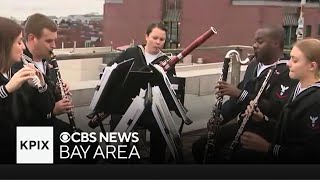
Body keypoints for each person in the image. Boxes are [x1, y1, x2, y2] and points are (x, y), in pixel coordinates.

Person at [192, 25, 298, 163]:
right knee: (199, 146)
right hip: (245, 125)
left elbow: (273, 107)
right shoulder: (254, 65)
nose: (254, 45)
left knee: (227, 157)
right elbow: (238, 98)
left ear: (275, 43)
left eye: (260, 42)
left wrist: (239, 94)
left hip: (265, 131)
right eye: (255, 41)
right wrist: (221, 116)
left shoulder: (287, 72)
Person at [12, 13, 97, 163]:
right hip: (30, 132)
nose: (54, 45)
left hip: (48, 125)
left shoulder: (48, 63)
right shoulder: (18, 66)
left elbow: (50, 95)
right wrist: (53, 110)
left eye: (55, 40)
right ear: (32, 38)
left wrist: (58, 92)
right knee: (80, 151)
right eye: (49, 41)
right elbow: (21, 113)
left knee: (90, 145)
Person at [105, 22, 176, 163]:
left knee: (161, 126)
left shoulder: (167, 61)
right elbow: (111, 69)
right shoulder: (131, 52)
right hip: (125, 106)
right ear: (146, 37)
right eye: (155, 38)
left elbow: (170, 86)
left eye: (162, 39)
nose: (158, 42)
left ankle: (157, 163)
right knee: (118, 122)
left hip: (151, 110)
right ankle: (120, 162)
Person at [241, 38, 320, 163]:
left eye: (294, 60)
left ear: (312, 66)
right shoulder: (298, 87)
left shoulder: (316, 102)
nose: (288, 63)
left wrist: (268, 148)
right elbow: (286, 130)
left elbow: (310, 155)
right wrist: (263, 119)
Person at [0, 16, 53, 163]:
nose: (23, 47)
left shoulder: (15, 70)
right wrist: (6, 89)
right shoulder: (12, 76)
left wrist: (41, 86)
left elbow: (47, 109)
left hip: (24, 139)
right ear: (4, 46)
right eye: (18, 42)